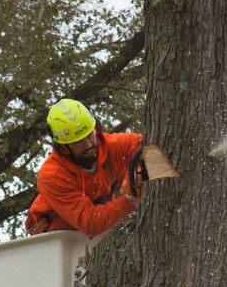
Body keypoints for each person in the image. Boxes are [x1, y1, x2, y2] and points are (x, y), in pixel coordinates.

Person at [25, 98, 143, 238]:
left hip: (93, 236)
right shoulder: (52, 176)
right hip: (54, 240)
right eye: (78, 142)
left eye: (89, 136)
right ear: (64, 147)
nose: (88, 145)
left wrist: (139, 175)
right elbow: (91, 222)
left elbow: (145, 144)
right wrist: (131, 199)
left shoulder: (113, 146)